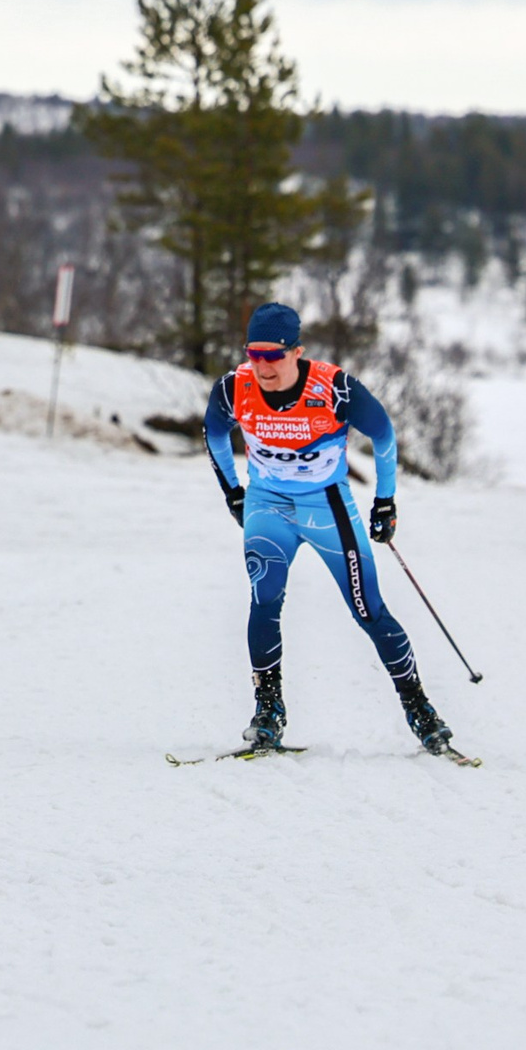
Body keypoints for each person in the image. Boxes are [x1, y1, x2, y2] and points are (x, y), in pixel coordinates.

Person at [201, 301, 457, 757]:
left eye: (273, 356)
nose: (262, 366)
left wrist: (385, 500)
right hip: (269, 505)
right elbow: (214, 433)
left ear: (297, 352)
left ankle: (419, 708)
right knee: (264, 599)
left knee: (367, 608)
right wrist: (234, 493)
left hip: (327, 508)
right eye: (254, 354)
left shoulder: (334, 388)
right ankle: (268, 712)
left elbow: (383, 434)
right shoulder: (233, 389)